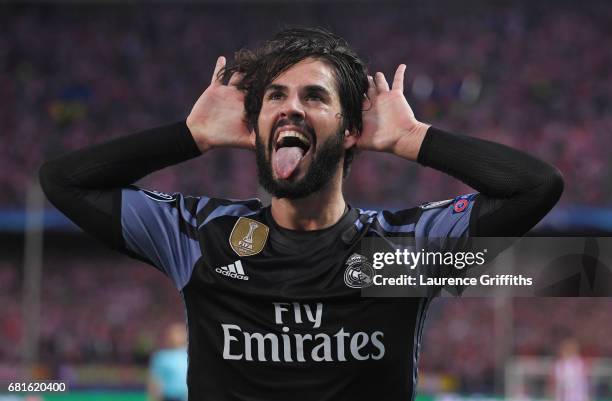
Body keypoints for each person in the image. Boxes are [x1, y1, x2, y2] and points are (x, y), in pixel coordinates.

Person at [39, 27, 563, 401]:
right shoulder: (200, 235)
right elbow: (65, 181)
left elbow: (534, 187)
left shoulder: (405, 249)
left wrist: (413, 138)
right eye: (275, 96)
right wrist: (190, 135)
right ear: (256, 124)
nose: (291, 107)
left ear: (350, 129)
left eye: (314, 96)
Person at [147, 323, 189, 401]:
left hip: (185, 396)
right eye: (173, 334)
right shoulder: (161, 357)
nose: (176, 337)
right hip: (168, 397)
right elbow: (155, 380)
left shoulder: (189, 355)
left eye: (179, 334)